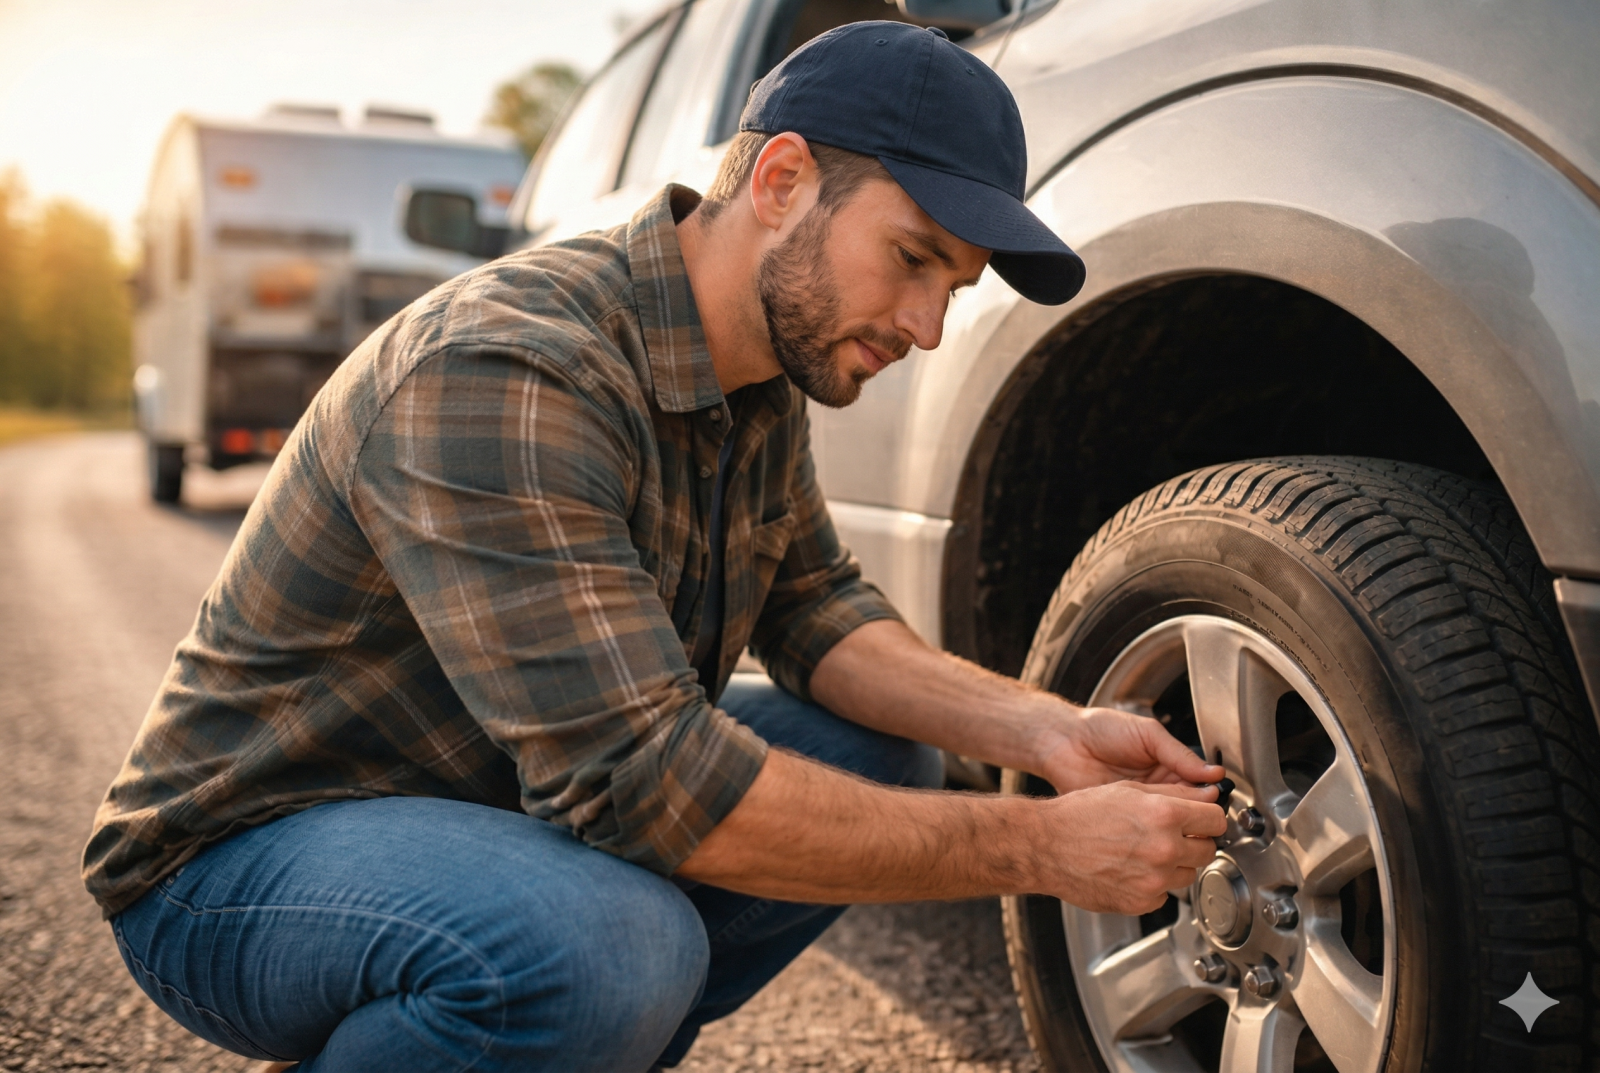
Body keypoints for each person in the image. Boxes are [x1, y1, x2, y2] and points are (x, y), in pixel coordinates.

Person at [84, 22, 1225, 1072]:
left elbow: (816, 609)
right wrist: (1037, 845)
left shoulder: (760, 367)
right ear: (781, 182)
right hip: (241, 859)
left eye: (954, 288)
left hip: (490, 805)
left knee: (875, 750)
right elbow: (647, 786)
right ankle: (525, 1008)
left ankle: (514, 1039)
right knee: (613, 950)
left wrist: (1049, 730)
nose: (925, 327)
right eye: (913, 258)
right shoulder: (509, 369)